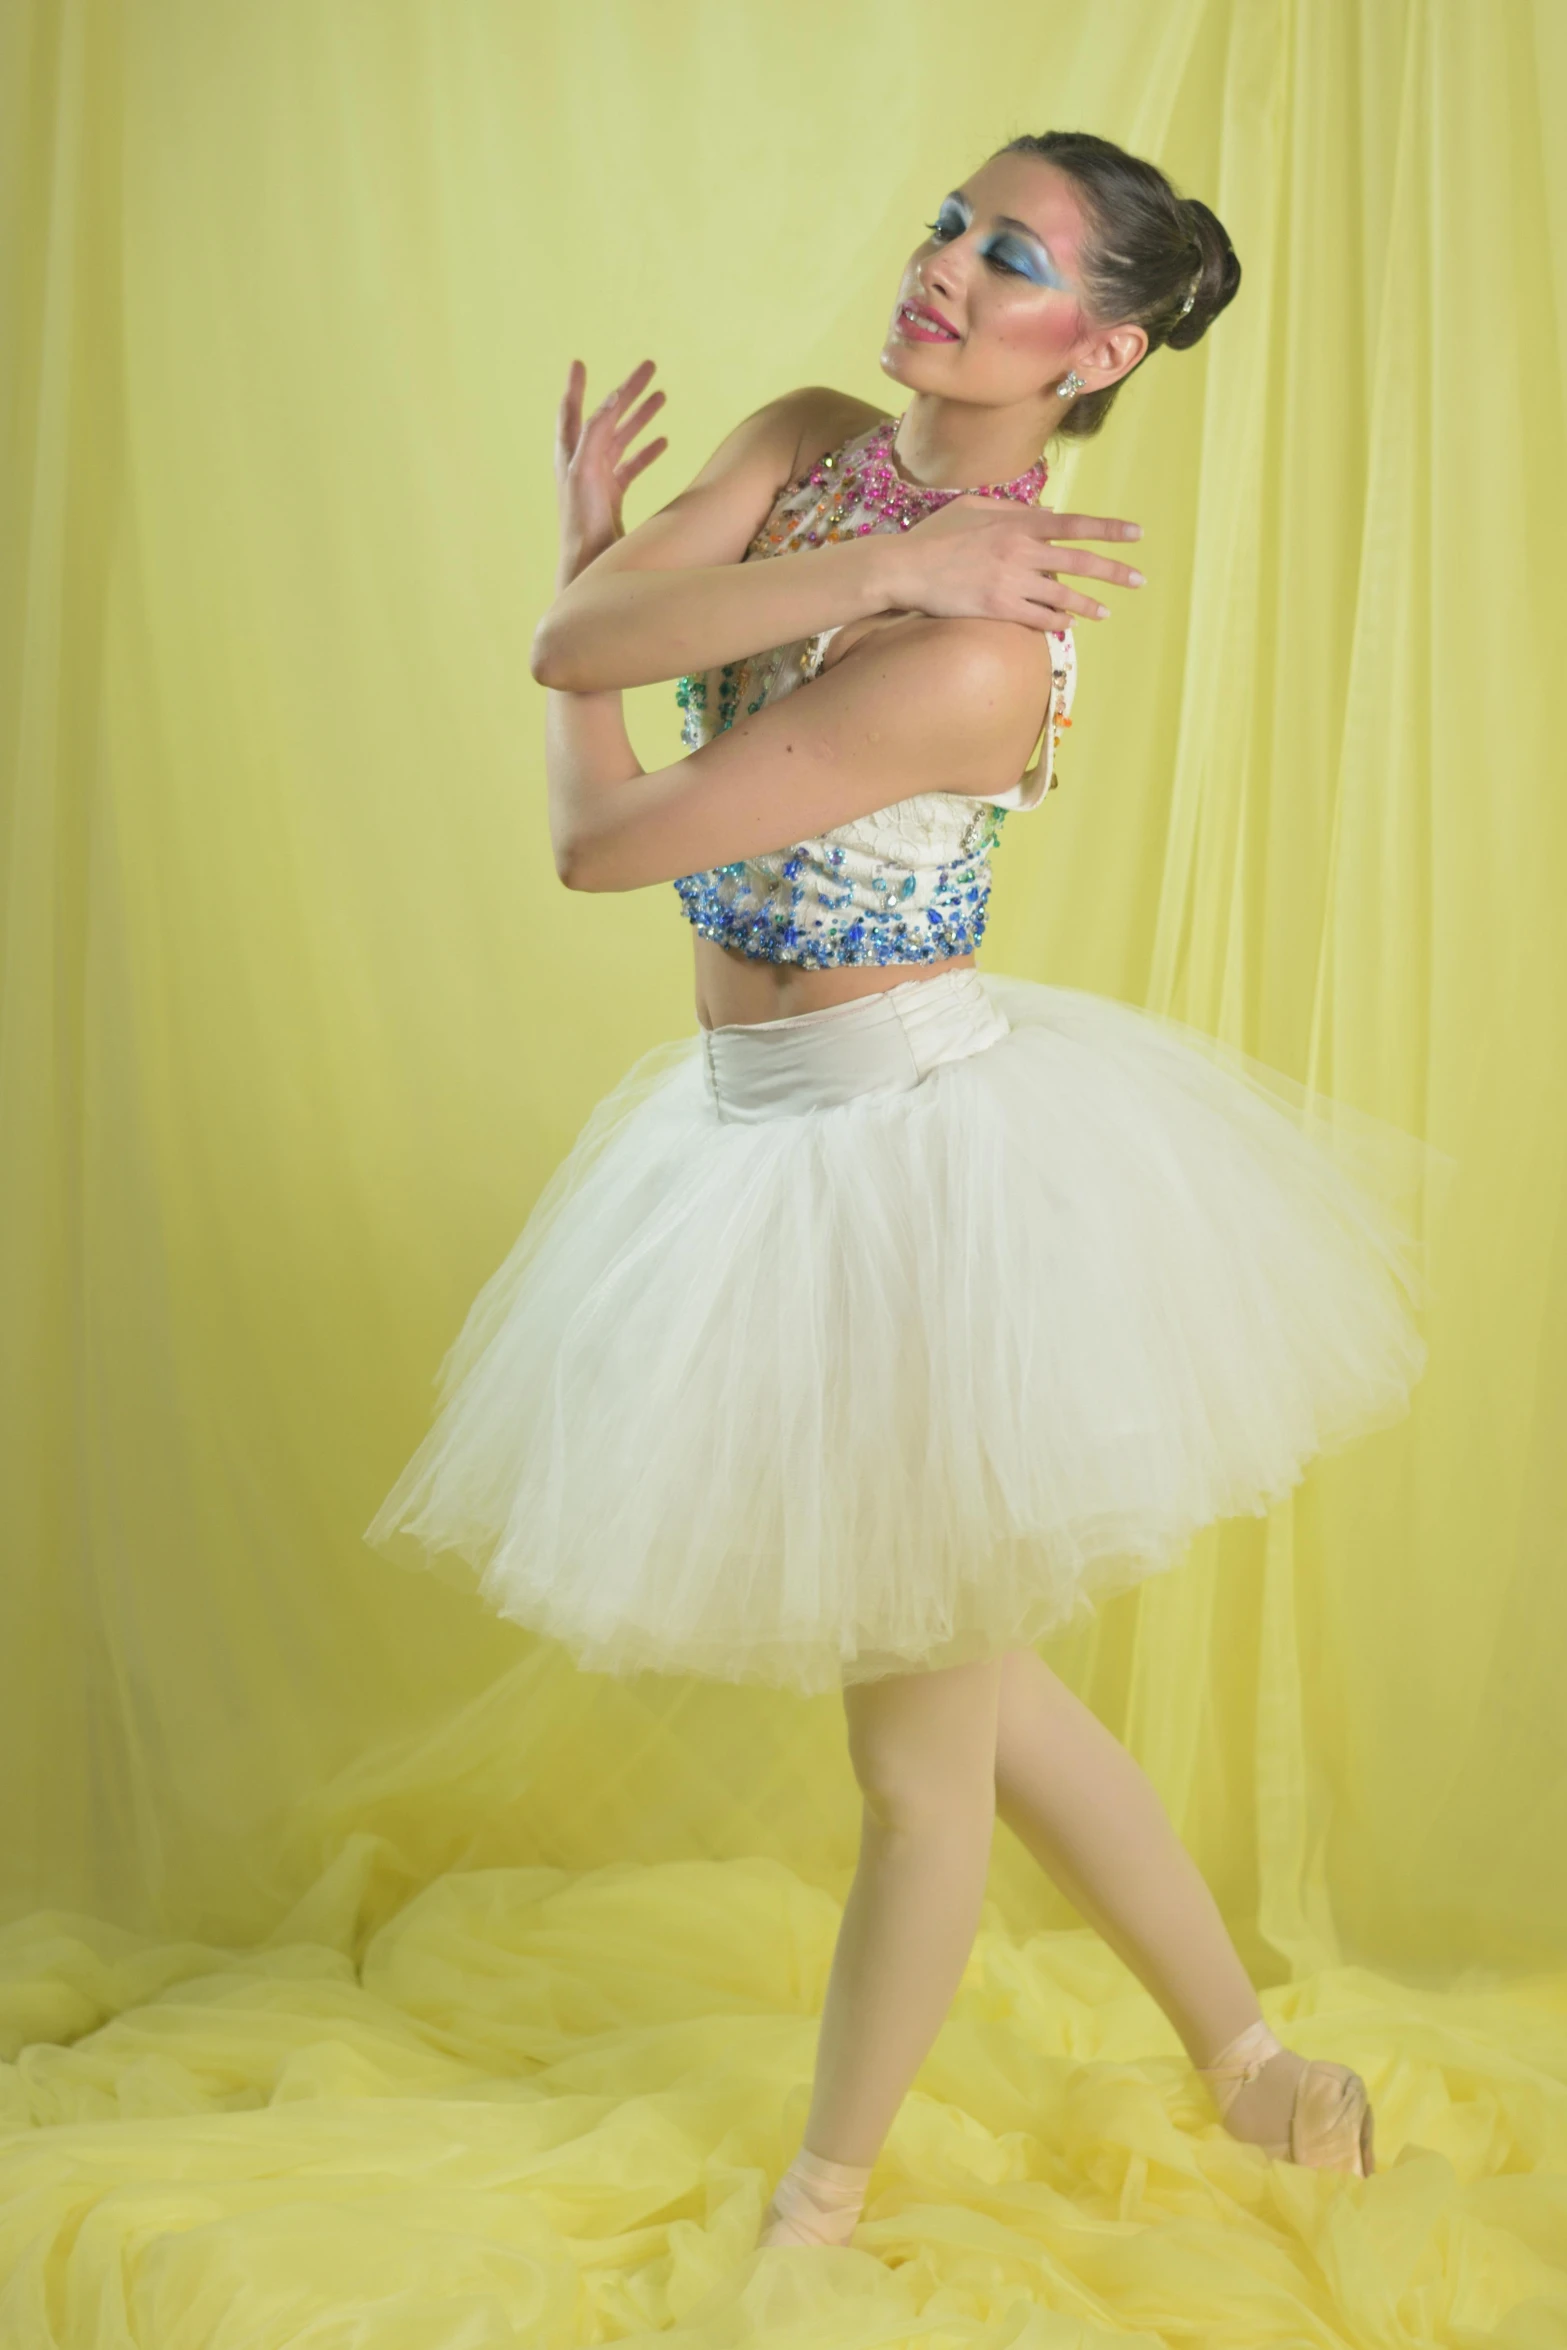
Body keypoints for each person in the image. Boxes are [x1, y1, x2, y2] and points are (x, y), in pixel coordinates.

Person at [367, 130, 1440, 2247]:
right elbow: (571, 633)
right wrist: (715, 574)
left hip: (905, 1172)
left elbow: (598, 816)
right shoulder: (813, 451)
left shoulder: (980, 652)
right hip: (751, 1134)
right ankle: (1248, 2060)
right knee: (984, 1682)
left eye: (1013, 254)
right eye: (955, 221)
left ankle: (819, 2213)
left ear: (1098, 344)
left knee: (918, 1755)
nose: (944, 264)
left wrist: (624, 626)